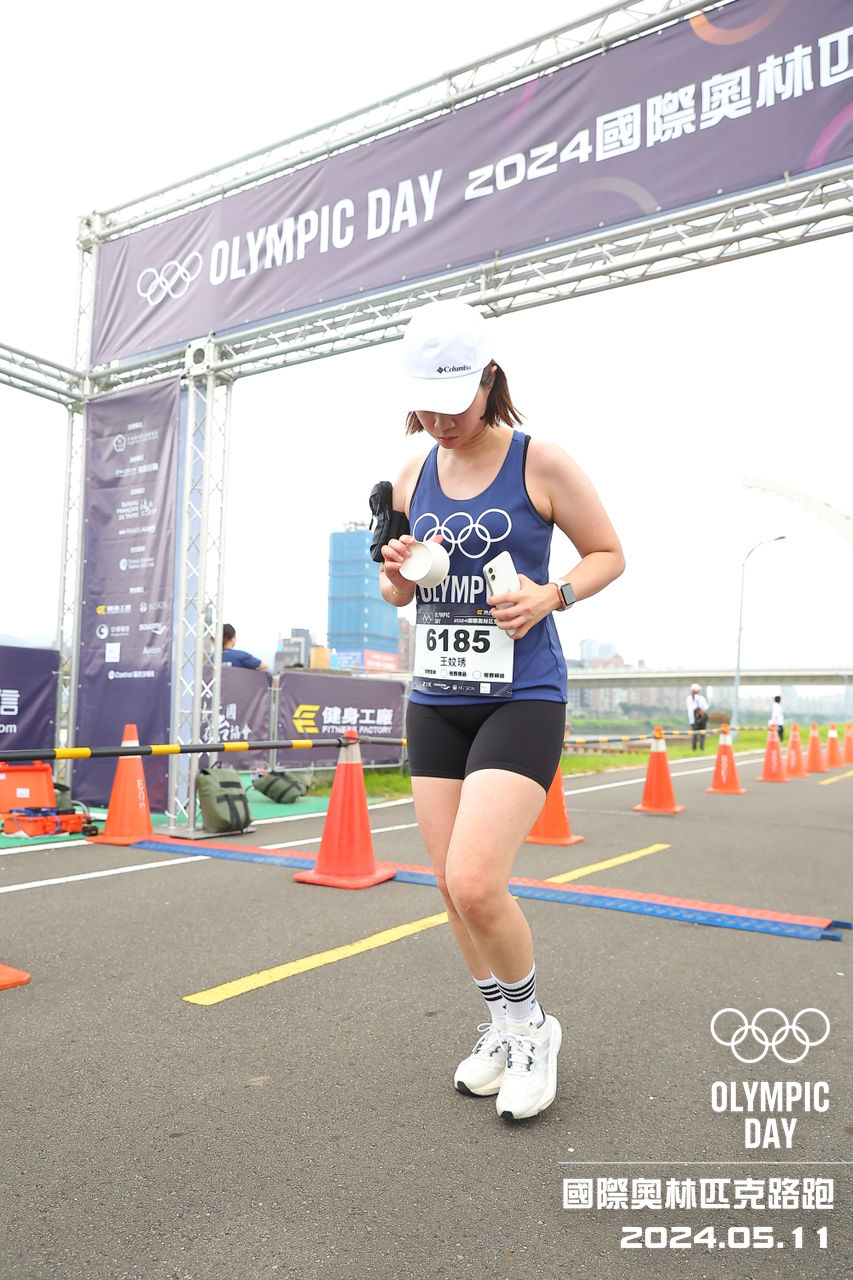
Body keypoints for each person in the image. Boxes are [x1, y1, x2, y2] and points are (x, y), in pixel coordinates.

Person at [378, 300, 624, 1121]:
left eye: (453, 402)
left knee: (477, 881)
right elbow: (398, 592)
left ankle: (534, 1030)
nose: (439, 420)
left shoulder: (538, 461)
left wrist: (551, 596)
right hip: (435, 698)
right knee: (449, 890)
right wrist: (398, 571)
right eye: (425, 405)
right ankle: (504, 1024)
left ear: (489, 380)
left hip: (521, 695)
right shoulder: (411, 473)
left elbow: (608, 554)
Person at [686, 683, 709, 750]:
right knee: (702, 734)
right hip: (701, 719)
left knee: (694, 734)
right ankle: (701, 747)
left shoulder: (688, 698)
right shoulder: (700, 698)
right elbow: (705, 708)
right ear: (698, 691)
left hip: (692, 720)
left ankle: (694, 748)